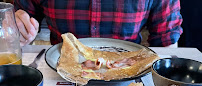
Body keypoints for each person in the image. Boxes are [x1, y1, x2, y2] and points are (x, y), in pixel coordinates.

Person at [14, 0, 183, 47]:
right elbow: (17, 17)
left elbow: (166, 43)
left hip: (129, 73)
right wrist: (17, 28)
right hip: (61, 71)